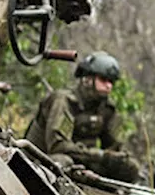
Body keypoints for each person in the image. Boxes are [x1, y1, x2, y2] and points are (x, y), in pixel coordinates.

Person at [25, 50, 140, 181]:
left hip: (81, 161)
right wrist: (101, 156)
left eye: (111, 81)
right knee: (63, 161)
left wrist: (118, 158)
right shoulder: (63, 101)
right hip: (43, 160)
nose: (109, 86)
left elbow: (115, 147)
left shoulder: (106, 108)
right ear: (87, 80)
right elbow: (59, 147)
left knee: (130, 167)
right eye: (103, 80)